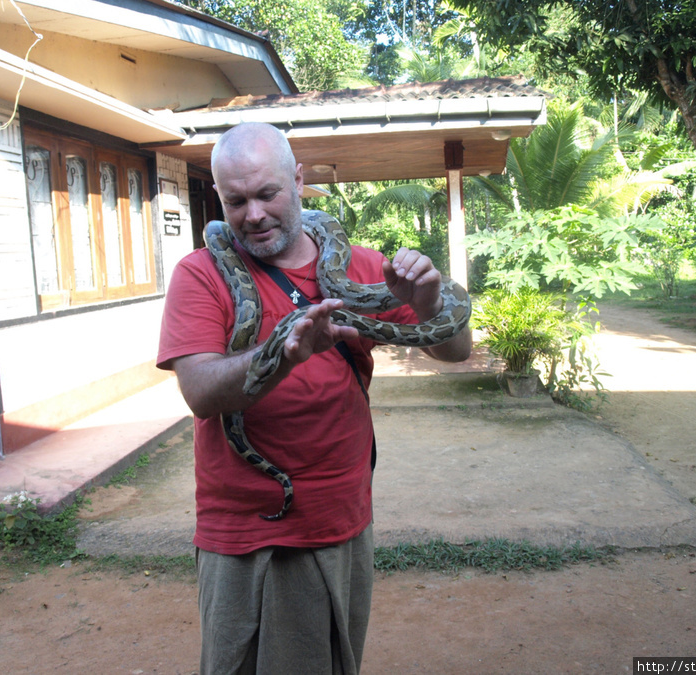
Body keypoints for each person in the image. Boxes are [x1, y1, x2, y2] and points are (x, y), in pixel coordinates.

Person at [156, 122, 471, 674]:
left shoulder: (368, 271)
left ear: (298, 181)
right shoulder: (202, 273)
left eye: (267, 193)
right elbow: (201, 393)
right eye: (236, 201)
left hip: (344, 520)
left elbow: (456, 349)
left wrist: (427, 302)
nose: (253, 214)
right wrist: (283, 355)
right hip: (248, 534)